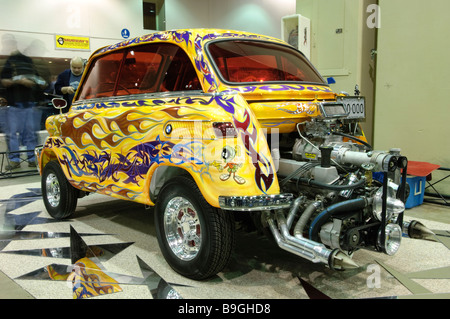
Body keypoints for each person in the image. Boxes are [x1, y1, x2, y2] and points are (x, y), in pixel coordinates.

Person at [0, 35, 46, 170]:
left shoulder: (27, 60)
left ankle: (32, 159)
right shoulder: (8, 62)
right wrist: (19, 81)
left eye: (8, 44)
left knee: (30, 134)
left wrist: (39, 84)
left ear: (13, 44)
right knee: (12, 134)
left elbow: (38, 80)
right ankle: (14, 160)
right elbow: (4, 81)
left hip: (29, 103)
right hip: (14, 105)